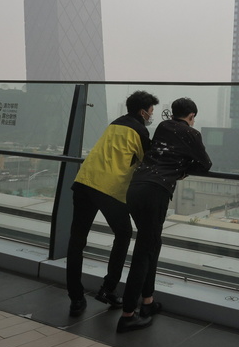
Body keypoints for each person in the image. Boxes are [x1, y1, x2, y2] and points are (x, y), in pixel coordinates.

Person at [117, 97, 212, 332]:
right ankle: (128, 314)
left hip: (136, 187)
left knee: (152, 244)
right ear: (191, 117)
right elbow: (206, 164)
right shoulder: (192, 134)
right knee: (143, 251)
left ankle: (147, 302)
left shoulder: (162, 126)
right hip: (155, 192)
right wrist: (182, 170)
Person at [66, 90, 159, 317]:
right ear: (142, 111)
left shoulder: (113, 124)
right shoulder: (140, 131)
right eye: (151, 111)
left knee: (76, 242)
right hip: (107, 189)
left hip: (84, 182)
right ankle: (108, 288)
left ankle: (76, 299)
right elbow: (151, 161)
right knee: (124, 233)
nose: (151, 115)